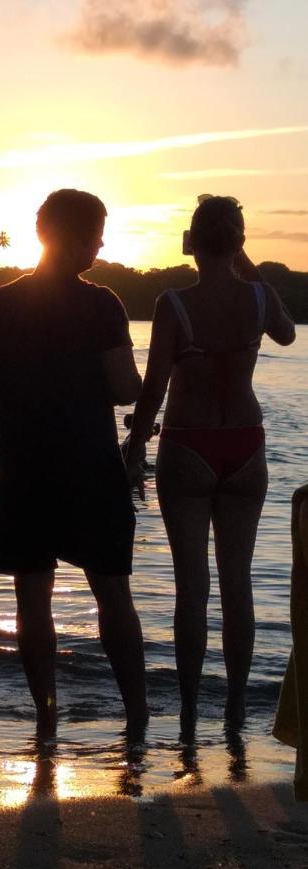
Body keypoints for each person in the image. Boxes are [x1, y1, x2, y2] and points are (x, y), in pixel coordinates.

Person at [0, 188, 148, 743]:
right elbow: (123, 388)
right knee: (112, 592)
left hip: (22, 464)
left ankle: (47, 722)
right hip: (90, 464)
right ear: (69, 237)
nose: (101, 244)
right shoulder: (102, 304)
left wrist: (28, 382)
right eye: (95, 234)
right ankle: (136, 718)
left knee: (32, 598)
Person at [124, 196, 296, 740]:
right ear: (239, 241)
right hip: (246, 443)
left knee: (191, 587)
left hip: (189, 442)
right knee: (238, 584)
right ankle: (239, 708)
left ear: (191, 242)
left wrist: (134, 447)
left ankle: (192, 710)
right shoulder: (259, 297)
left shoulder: (173, 304)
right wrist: (246, 265)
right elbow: (289, 333)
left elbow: (153, 388)